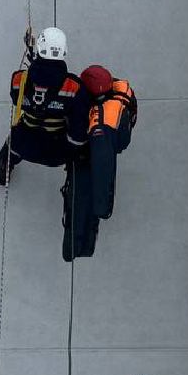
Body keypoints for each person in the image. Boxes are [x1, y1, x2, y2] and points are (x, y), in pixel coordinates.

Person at [0, 27, 90, 186]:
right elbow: (78, 133)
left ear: (39, 48)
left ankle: (4, 165)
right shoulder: (74, 88)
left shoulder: (18, 80)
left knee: (12, 143)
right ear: (64, 51)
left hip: (23, 145)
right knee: (84, 142)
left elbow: (16, 99)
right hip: (58, 153)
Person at [61, 64, 137, 261]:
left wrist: (103, 206)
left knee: (81, 199)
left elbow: (103, 170)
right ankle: (84, 243)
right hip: (115, 137)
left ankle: (76, 247)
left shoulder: (99, 126)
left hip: (95, 150)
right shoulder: (121, 92)